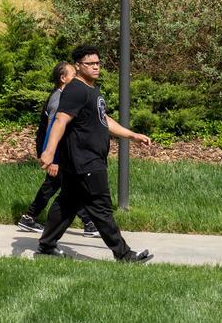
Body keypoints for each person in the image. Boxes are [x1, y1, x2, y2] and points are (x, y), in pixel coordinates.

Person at [35, 44, 154, 263]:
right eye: (90, 64)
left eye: (98, 63)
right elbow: (61, 120)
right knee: (101, 207)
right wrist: (49, 151)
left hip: (83, 160)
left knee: (67, 203)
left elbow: (103, 120)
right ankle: (124, 254)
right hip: (86, 160)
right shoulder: (76, 89)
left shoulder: (90, 89)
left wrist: (131, 135)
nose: (96, 67)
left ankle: (46, 245)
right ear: (78, 66)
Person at [17, 62, 95, 236]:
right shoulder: (58, 99)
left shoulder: (65, 96)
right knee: (56, 185)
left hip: (62, 152)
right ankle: (30, 217)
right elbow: (53, 129)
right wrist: (54, 159)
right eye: (73, 74)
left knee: (66, 185)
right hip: (56, 154)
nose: (77, 77)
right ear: (63, 78)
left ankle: (88, 222)